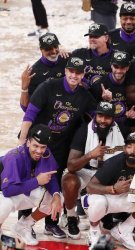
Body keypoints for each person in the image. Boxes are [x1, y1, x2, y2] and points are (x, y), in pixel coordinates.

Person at [18, 57, 97, 239]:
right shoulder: (48, 87)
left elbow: (97, 117)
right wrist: (23, 142)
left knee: (54, 185)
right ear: (66, 71)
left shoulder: (84, 96)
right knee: (28, 181)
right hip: (35, 143)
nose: (74, 75)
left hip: (60, 146)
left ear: (83, 75)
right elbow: (30, 113)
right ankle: (24, 222)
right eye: (71, 71)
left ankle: (51, 224)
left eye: (78, 73)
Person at [83, 132, 135, 250]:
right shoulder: (114, 163)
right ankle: (94, 231)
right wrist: (112, 189)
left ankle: (124, 230)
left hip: (124, 199)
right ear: (124, 148)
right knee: (99, 202)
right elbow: (90, 187)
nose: (132, 151)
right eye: (129, 146)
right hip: (103, 198)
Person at [61, 102, 127, 239]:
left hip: (105, 174)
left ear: (113, 119)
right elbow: (71, 166)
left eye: (107, 117)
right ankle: (71, 217)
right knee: (69, 180)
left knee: (125, 179)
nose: (103, 120)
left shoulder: (121, 130)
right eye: (100, 116)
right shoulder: (84, 131)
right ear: (95, 115)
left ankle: (108, 215)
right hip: (86, 171)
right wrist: (90, 155)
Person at [0, 125, 62, 246]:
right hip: (3, 191)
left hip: (18, 191)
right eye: (35, 146)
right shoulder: (14, 156)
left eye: (43, 147)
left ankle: (23, 226)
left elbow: (51, 176)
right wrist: (37, 181)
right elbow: (7, 190)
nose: (39, 151)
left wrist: (56, 195)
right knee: (4, 207)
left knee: (58, 200)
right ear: (28, 142)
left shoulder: (46, 153)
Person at [20, 32, 68, 111]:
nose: (53, 51)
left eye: (55, 46)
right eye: (48, 48)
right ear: (41, 50)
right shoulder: (33, 72)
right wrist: (24, 88)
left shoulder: (66, 58)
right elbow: (25, 108)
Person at [90, 50, 135, 127]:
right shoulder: (99, 85)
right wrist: (105, 102)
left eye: (122, 67)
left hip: (125, 125)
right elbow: (91, 113)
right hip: (105, 127)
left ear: (127, 67)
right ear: (111, 65)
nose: (118, 71)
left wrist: (134, 113)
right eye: (116, 67)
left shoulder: (131, 83)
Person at [72, 23, 112, 88]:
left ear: (106, 38)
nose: (92, 39)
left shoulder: (116, 56)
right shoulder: (79, 54)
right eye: (90, 37)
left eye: (96, 36)